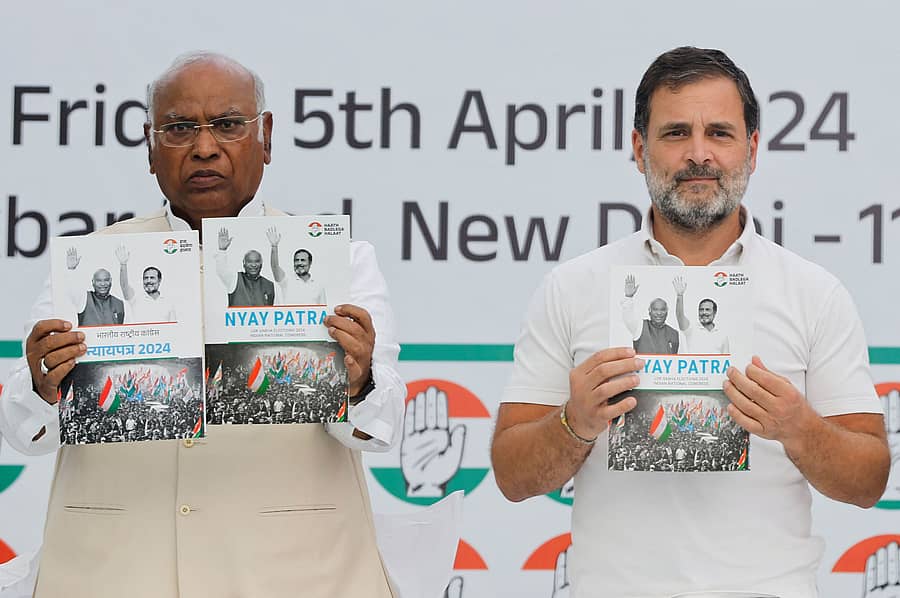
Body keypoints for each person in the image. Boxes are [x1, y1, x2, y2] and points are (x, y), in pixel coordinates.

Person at [0, 51, 404, 598]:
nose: (205, 147)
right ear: (150, 146)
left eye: (229, 124)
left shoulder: (340, 261)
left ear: (266, 138)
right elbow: (25, 432)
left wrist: (358, 383)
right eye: (179, 128)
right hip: (116, 574)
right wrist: (42, 386)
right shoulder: (88, 263)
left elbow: (381, 429)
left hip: (295, 576)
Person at [491, 46, 889, 598]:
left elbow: (869, 481)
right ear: (639, 149)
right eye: (676, 133)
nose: (698, 154)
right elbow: (511, 476)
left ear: (752, 149)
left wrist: (799, 427)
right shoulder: (573, 287)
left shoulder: (814, 294)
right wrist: (573, 422)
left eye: (720, 134)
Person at [115, 244, 177, 323]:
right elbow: (124, 286)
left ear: (159, 280)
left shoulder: (168, 303)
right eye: (146, 278)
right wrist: (123, 264)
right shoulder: (136, 298)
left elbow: (173, 326)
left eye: (152, 278)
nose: (148, 281)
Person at [64, 248, 125, 326]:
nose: (103, 284)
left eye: (106, 280)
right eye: (99, 281)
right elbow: (72, 291)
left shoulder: (119, 303)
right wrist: (71, 270)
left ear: (110, 281)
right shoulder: (84, 298)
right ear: (93, 282)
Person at [267, 226, 327, 305]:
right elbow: (275, 267)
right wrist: (274, 246)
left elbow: (323, 308)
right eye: (296, 260)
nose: (299, 263)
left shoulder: (318, 285)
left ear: (310, 263)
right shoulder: (286, 280)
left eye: (303, 260)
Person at [215, 228, 275, 306]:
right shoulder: (235, 279)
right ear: (244, 263)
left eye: (256, 261)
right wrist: (222, 250)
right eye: (250, 261)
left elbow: (272, 310)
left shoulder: (269, 285)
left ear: (261, 263)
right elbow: (222, 270)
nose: (253, 265)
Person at [621, 273, 679, 354]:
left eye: (662, 310)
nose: (659, 313)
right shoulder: (640, 327)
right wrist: (628, 297)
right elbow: (628, 318)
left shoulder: (674, 333)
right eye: (655, 310)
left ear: (667, 311)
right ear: (649, 311)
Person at [673, 275, 729, 354]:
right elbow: (679, 315)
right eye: (701, 310)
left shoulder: (722, 336)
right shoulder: (691, 329)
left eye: (707, 310)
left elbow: (726, 359)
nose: (704, 313)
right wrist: (680, 295)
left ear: (714, 312)